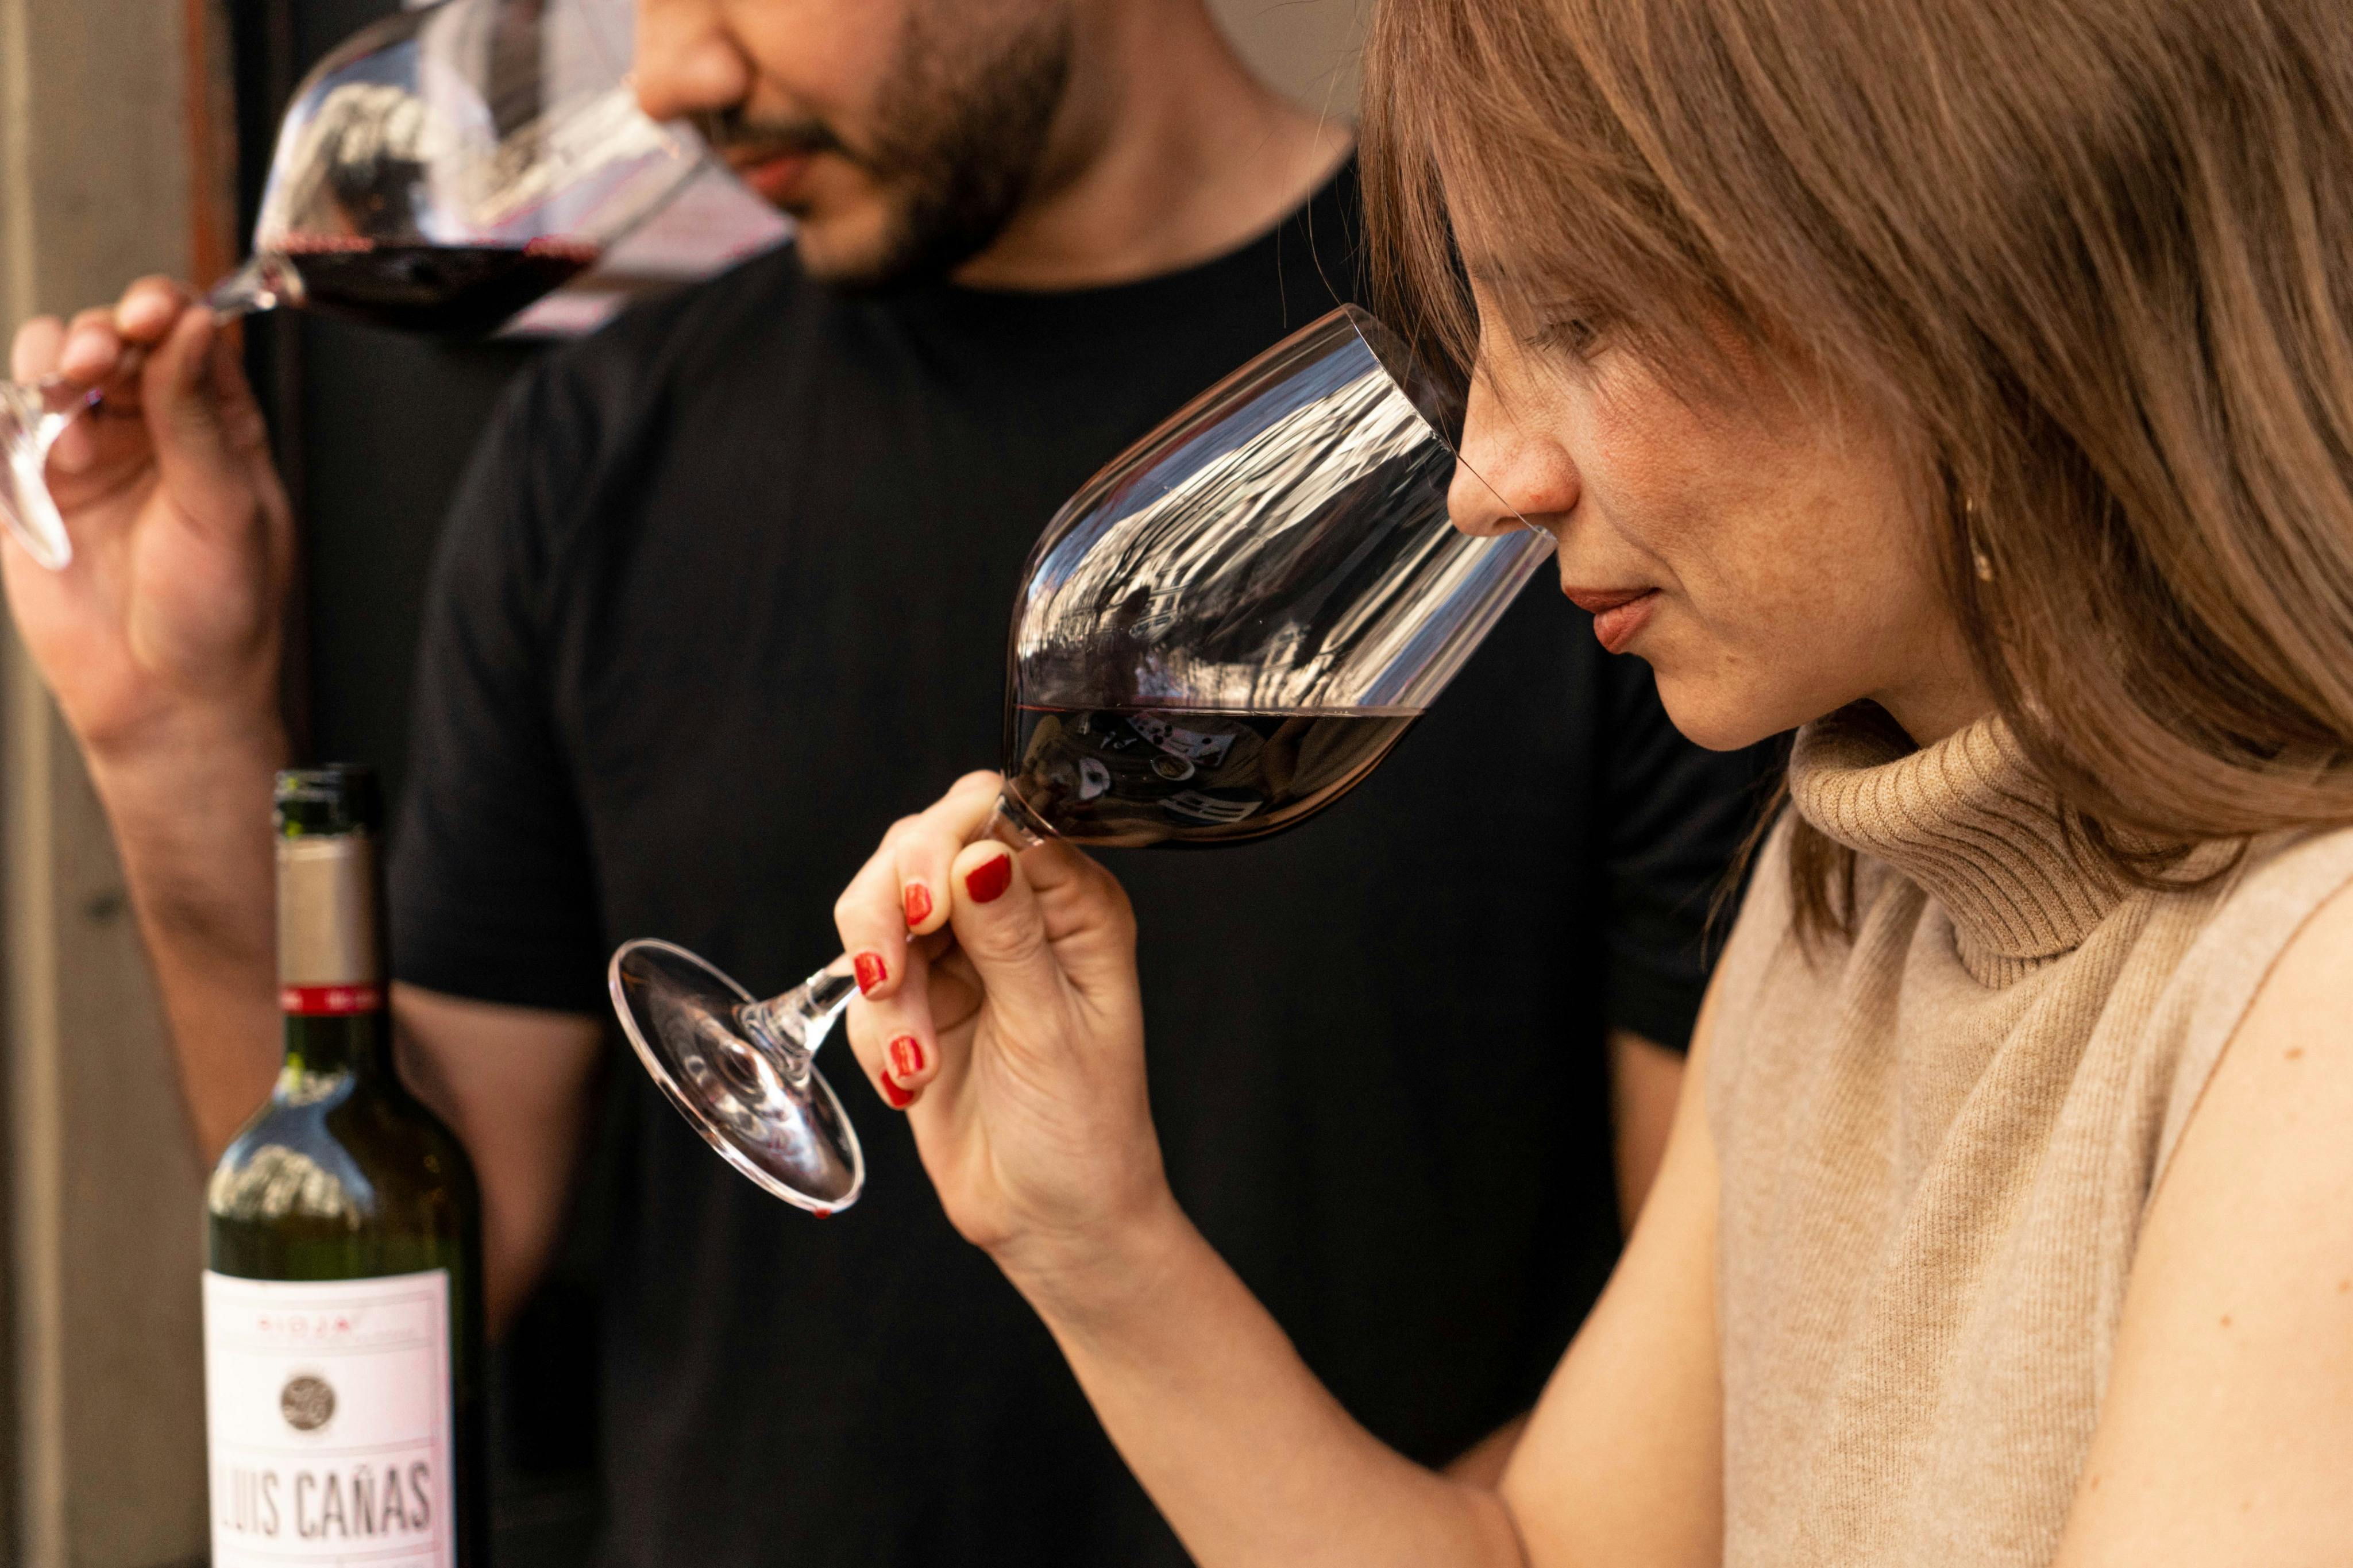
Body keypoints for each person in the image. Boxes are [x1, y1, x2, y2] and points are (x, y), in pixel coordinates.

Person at [1, 1, 1773, 1563]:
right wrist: (174, 744)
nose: (680, 72)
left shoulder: (1553, 457)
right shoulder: (592, 455)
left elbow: (1705, 1366)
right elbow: (425, 1251)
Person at [819, 0, 2353, 1562]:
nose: (1486, 479)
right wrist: (1094, 1243)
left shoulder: (2313, 995)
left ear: (1967, 253)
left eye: (1575, 323)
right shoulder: (1847, 895)